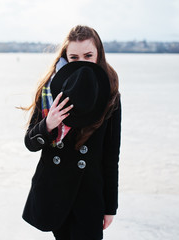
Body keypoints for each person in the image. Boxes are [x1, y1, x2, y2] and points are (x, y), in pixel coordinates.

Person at [21, 25, 121, 240]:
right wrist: (48, 124)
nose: (81, 62)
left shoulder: (110, 93)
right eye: (74, 57)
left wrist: (110, 206)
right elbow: (30, 143)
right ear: (65, 57)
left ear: (99, 55)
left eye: (88, 55)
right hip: (54, 192)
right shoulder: (50, 90)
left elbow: (111, 156)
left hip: (89, 196)